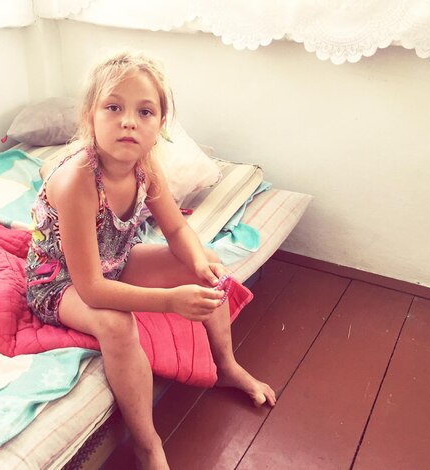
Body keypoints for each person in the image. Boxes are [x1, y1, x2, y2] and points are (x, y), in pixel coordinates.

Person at [25, 51, 276, 469]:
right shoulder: (78, 182)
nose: (128, 121)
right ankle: (147, 442)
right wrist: (170, 301)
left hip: (113, 259)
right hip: (59, 281)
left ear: (160, 125)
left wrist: (197, 264)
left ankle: (226, 366)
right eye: (113, 107)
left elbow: (178, 231)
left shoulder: (146, 168)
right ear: (90, 117)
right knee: (116, 323)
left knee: (206, 262)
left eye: (144, 111)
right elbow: (91, 289)